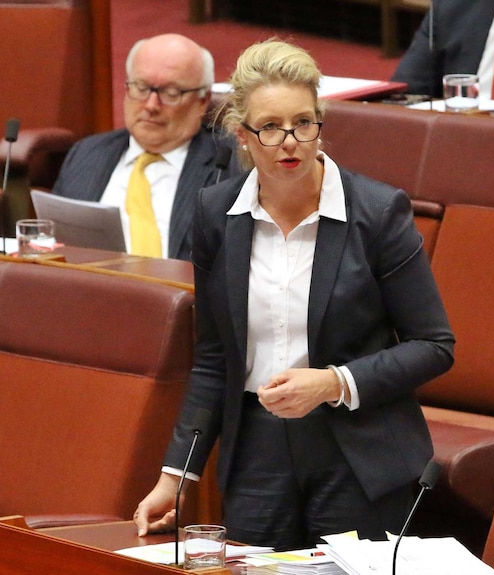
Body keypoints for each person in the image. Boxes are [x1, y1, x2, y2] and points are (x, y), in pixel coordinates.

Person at [132, 39, 455, 550]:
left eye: (304, 124)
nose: (290, 142)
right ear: (242, 135)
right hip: (258, 453)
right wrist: (177, 477)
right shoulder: (217, 214)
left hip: (357, 449)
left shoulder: (375, 213)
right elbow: (215, 357)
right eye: (270, 127)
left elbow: (434, 345)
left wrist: (333, 382)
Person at [51, 33, 239, 261]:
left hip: (181, 293)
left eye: (170, 93)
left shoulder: (229, 164)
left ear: (202, 100)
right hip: (89, 289)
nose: (151, 105)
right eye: (140, 87)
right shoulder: (86, 154)